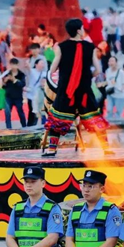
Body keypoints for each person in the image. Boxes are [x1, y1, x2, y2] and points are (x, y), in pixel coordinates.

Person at [44, 19, 111, 157]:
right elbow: (98, 69)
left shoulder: (61, 47)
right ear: (79, 30)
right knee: (94, 117)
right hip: (84, 90)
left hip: (65, 91)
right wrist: (87, 76)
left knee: (57, 118)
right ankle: (105, 148)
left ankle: (51, 149)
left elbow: (52, 69)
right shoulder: (90, 47)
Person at [3, 58, 26, 129]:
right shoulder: (6, 73)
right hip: (8, 97)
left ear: (18, 65)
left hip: (18, 97)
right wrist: (5, 81)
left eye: (15, 65)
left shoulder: (21, 74)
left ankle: (24, 127)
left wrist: (14, 80)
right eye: (12, 65)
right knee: (7, 113)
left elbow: (22, 84)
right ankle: (8, 128)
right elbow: (3, 86)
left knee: (20, 112)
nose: (13, 66)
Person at [105, 56, 124, 120]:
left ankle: (117, 124)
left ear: (116, 62)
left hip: (119, 94)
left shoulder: (121, 72)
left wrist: (122, 89)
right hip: (110, 93)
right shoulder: (107, 71)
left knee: (118, 112)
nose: (111, 63)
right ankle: (109, 123)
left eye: (112, 61)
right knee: (109, 109)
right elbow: (107, 81)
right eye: (109, 61)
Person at [25, 58, 46, 126]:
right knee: (32, 111)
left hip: (40, 96)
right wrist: (27, 62)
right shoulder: (32, 71)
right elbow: (28, 68)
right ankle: (30, 125)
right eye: (41, 63)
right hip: (31, 95)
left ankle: (36, 125)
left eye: (43, 63)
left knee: (39, 111)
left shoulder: (44, 73)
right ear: (36, 64)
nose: (43, 65)